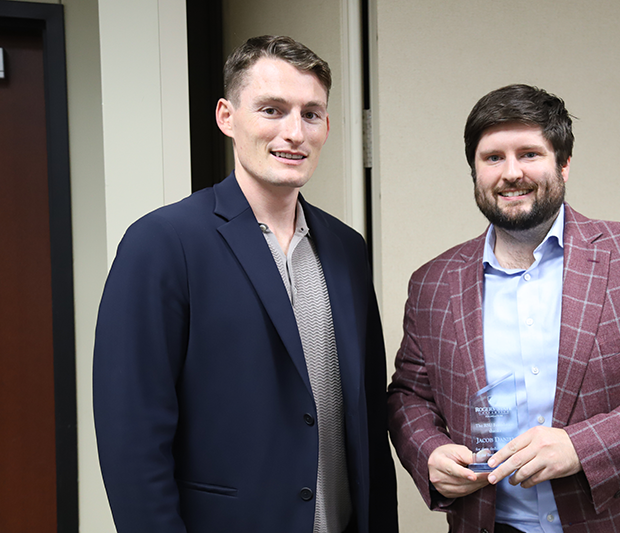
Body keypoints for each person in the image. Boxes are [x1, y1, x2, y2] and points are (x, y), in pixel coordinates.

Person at [387, 84, 620, 533]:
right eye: (492, 157)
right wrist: (429, 452)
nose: (510, 172)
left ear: (564, 164)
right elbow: (408, 396)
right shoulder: (432, 283)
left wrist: (583, 447)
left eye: (529, 154)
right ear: (474, 171)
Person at [94, 35, 397, 533]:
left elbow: (365, 421)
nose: (294, 132)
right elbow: (132, 438)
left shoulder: (347, 248)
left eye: (311, 114)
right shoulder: (163, 242)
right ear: (226, 117)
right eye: (272, 110)